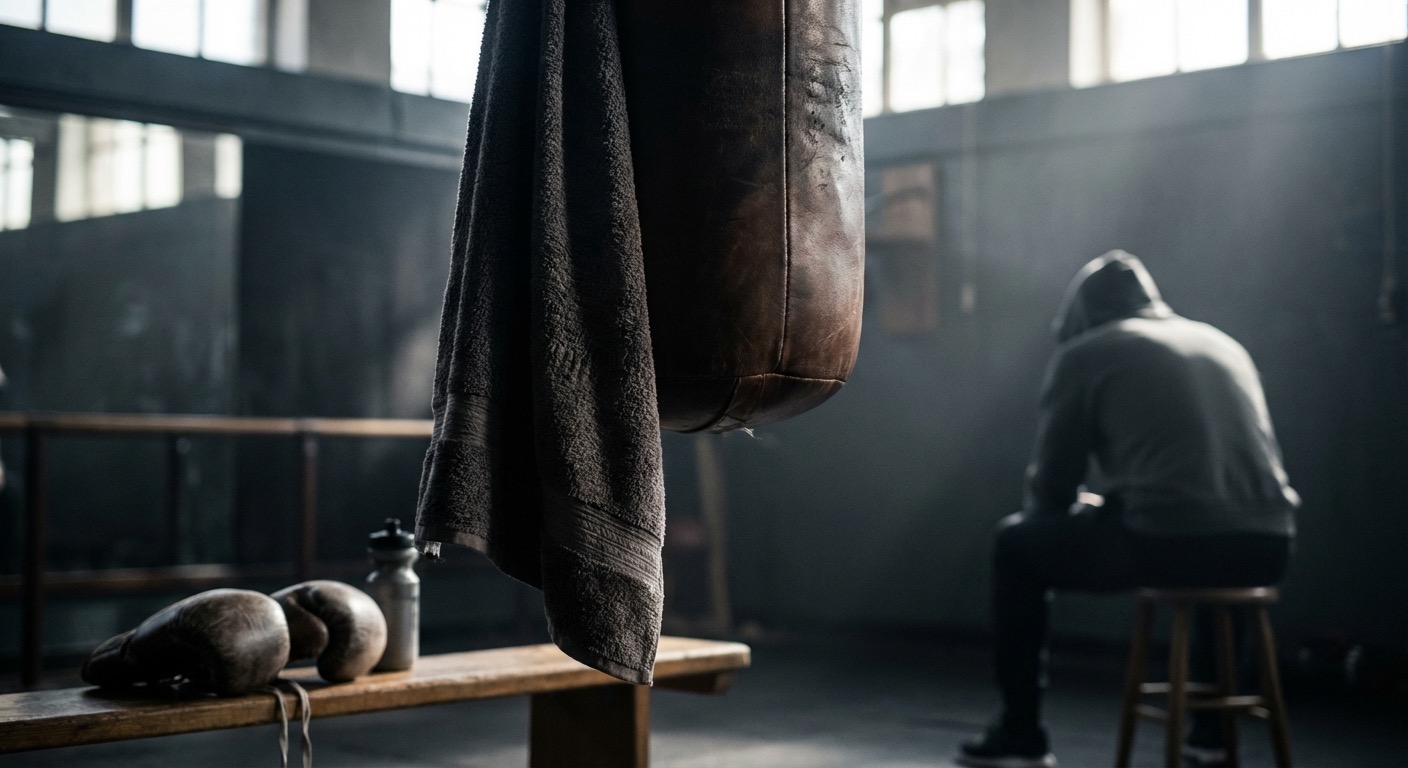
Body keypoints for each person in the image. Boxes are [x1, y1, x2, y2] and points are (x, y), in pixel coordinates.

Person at [956, 250, 1299, 768]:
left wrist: (1082, 507)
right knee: (1210, 539)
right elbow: (1207, 481)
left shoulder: (1088, 352)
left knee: (1015, 545)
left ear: (1082, 317)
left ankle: (1020, 733)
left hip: (1170, 545)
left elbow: (1050, 494)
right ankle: (1209, 733)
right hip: (1269, 544)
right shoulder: (1220, 343)